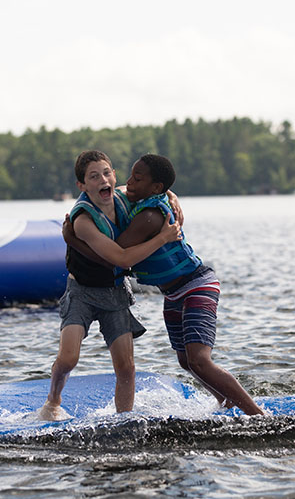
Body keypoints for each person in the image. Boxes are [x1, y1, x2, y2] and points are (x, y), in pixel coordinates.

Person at [64, 154, 264, 416]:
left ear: (154, 188)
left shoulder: (149, 217)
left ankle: (257, 416)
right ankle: (226, 401)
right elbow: (143, 191)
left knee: (199, 361)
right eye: (130, 175)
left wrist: (73, 240)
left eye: (137, 179)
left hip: (196, 285)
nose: (128, 182)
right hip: (173, 294)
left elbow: (116, 258)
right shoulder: (144, 201)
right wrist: (172, 193)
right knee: (186, 361)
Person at [38, 150, 182, 421]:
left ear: (114, 176)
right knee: (69, 358)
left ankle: (123, 419)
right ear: (82, 186)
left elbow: (159, 189)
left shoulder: (122, 196)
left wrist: (172, 197)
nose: (102, 179)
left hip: (115, 292)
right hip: (81, 292)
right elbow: (121, 258)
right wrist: (163, 238)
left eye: (107, 173)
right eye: (93, 177)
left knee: (126, 368)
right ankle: (53, 401)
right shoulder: (82, 221)